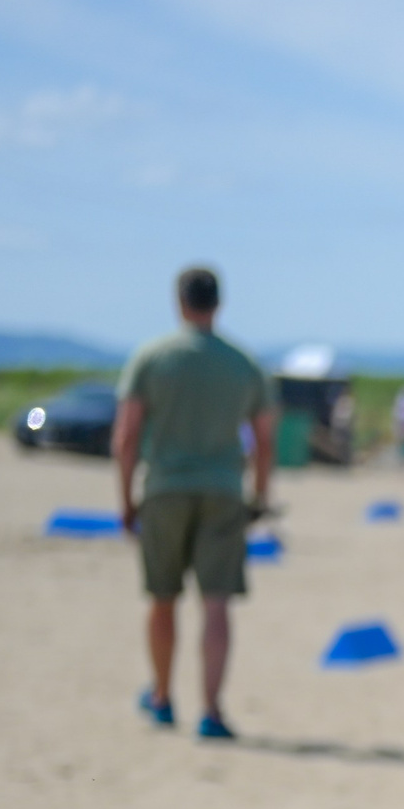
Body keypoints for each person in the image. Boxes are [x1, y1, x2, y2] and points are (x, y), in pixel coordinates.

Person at [113, 264, 275, 741]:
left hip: (164, 488)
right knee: (217, 604)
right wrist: (260, 498)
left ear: (178, 302)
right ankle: (211, 709)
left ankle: (162, 697)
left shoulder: (152, 357)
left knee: (163, 598)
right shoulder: (243, 363)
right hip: (224, 490)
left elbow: (126, 437)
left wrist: (126, 499)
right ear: (218, 304)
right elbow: (264, 442)